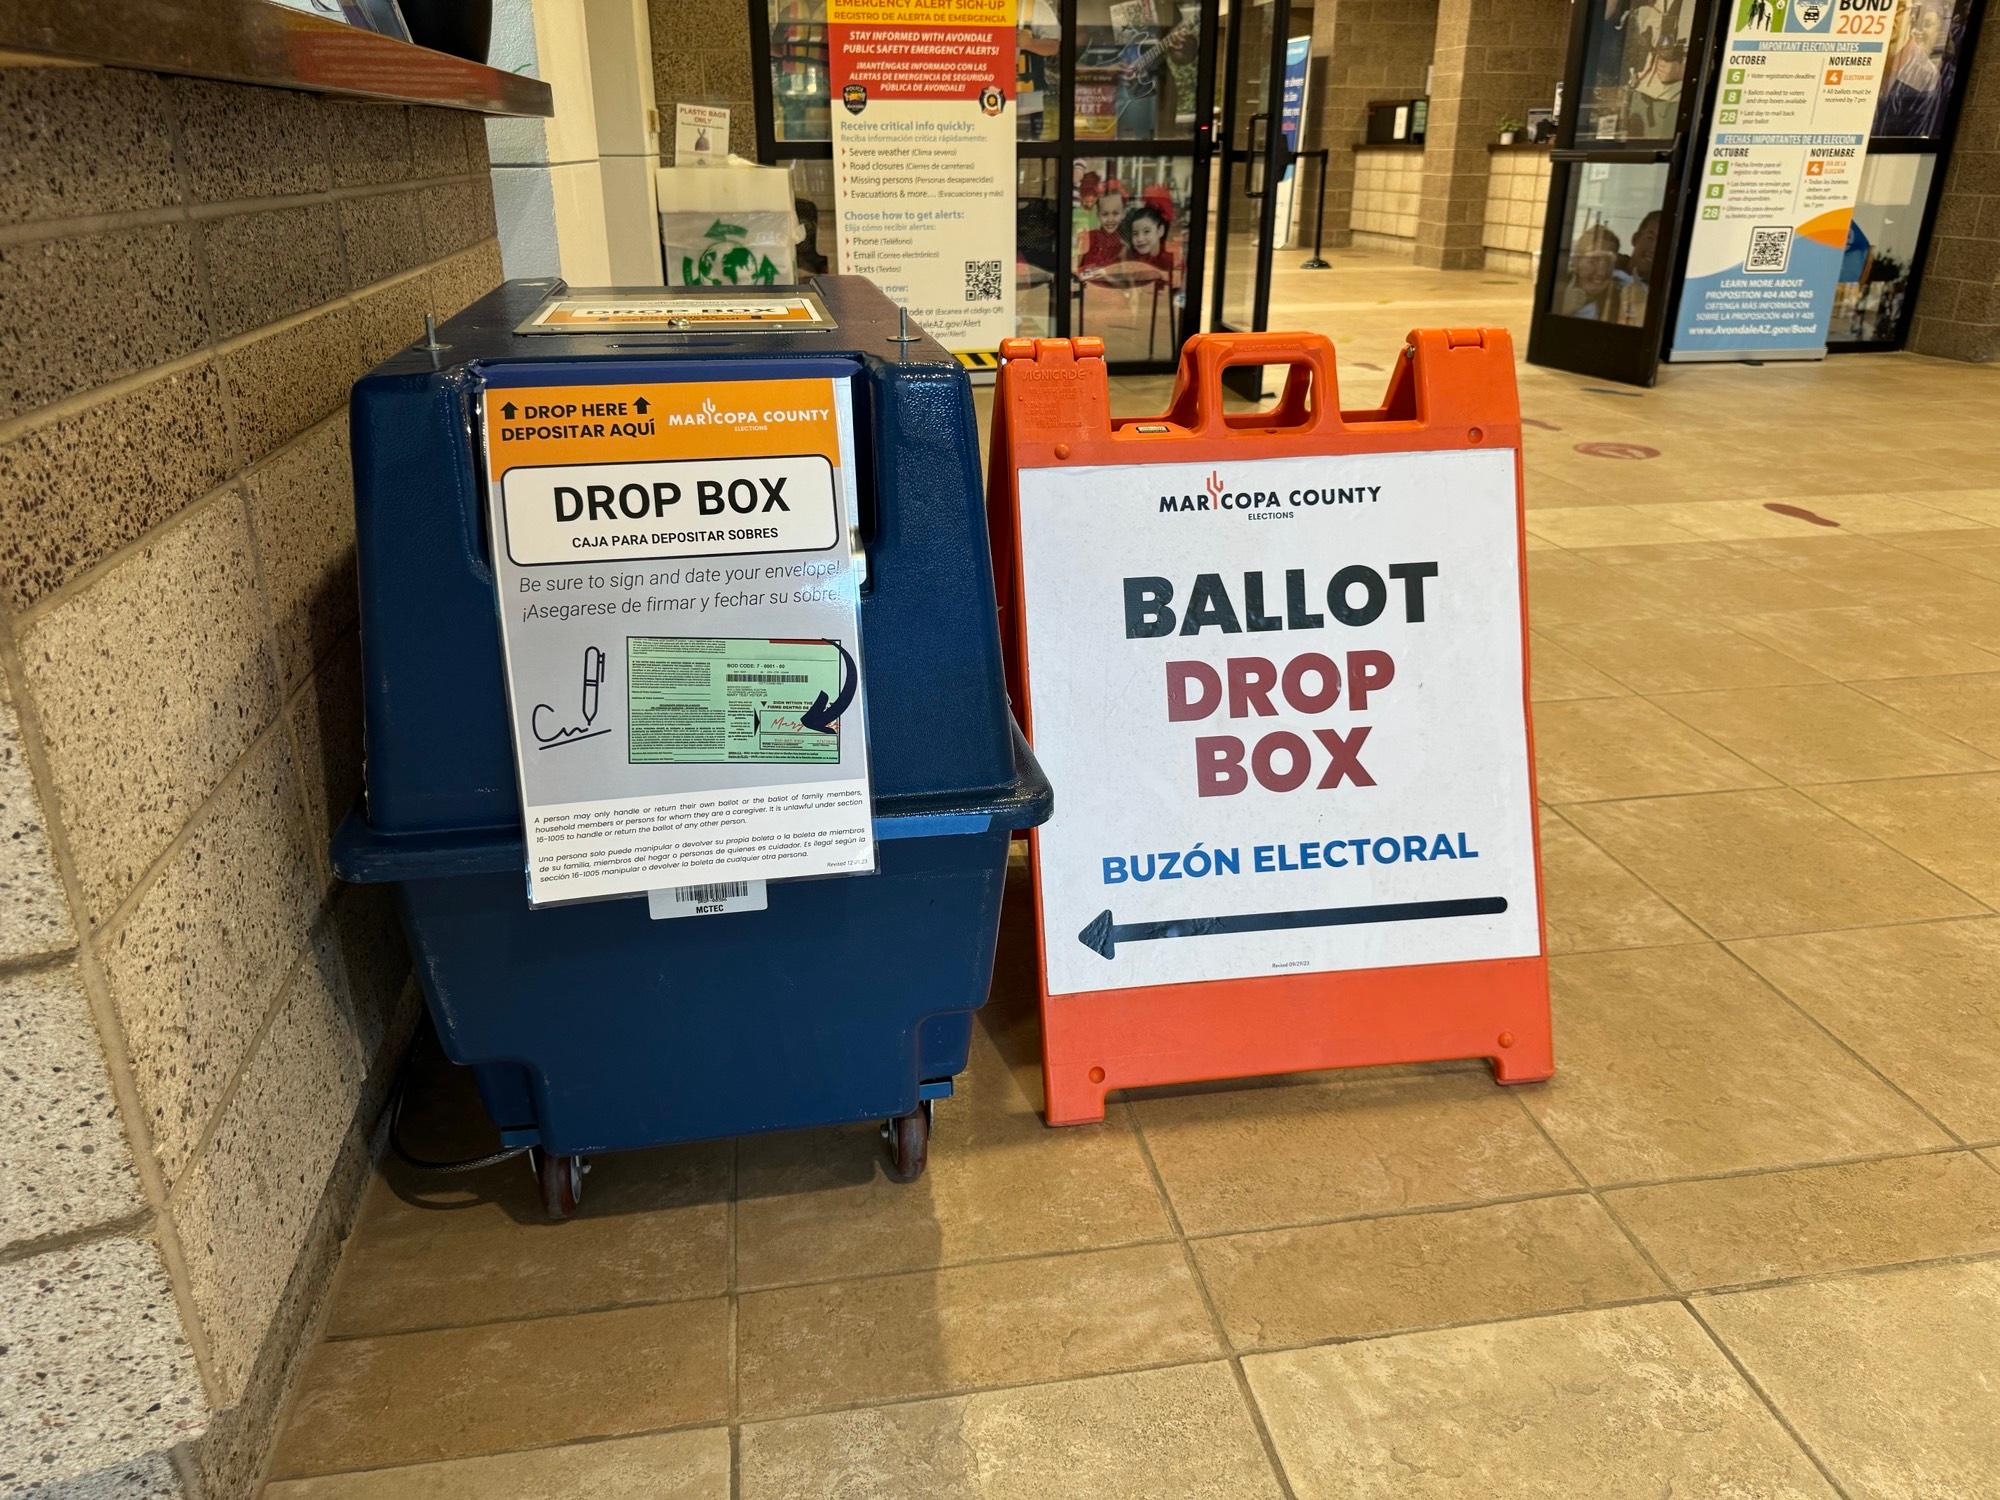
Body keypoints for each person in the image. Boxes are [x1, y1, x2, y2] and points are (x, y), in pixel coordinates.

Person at [1875, 0, 1947, 137]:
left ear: (1911, 16)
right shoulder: (1868, 63)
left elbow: (1911, 137)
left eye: (1899, 10)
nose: (1890, 19)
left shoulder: (1924, 74)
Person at [1558, 223, 1637, 322]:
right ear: (1576, 261)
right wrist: (1561, 308)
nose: (1601, 271)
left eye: (1608, 262)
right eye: (1593, 260)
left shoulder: (1621, 302)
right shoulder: (1555, 292)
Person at [1017, 0, 1060, 142]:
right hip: (981, 102)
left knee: (1026, 157)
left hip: (1026, 107)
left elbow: (1053, 47)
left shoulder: (1034, 5)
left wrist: (1029, 43)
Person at [1077, 181, 1129, 273]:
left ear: (1123, 214)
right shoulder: (1089, 238)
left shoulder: (1121, 247)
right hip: (1087, 286)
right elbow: (1076, 270)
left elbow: (1124, 277)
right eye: (1105, 214)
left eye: (1115, 213)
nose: (1110, 219)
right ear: (1098, 214)